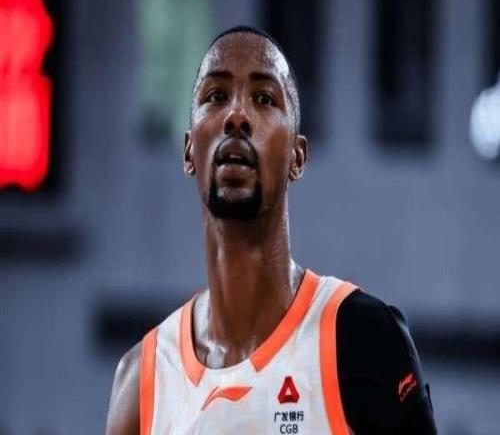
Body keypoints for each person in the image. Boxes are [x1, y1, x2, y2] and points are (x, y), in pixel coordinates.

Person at [105, 25, 437, 434]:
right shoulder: (141, 381)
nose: (236, 116)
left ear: (298, 157)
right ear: (189, 150)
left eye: (263, 98)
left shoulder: (364, 339)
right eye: (216, 96)